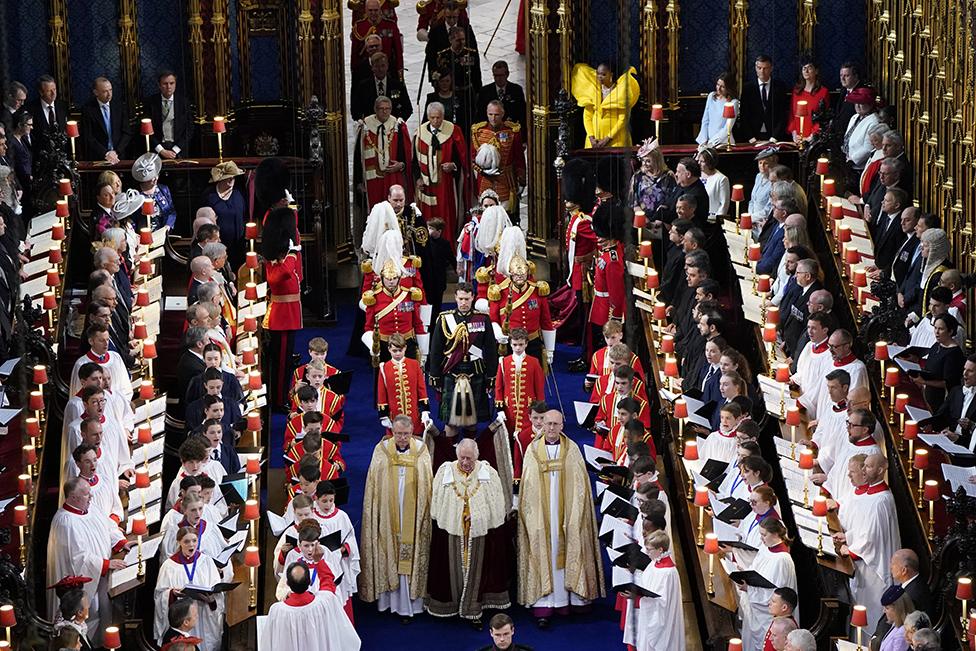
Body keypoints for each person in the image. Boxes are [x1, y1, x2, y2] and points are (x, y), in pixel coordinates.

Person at [518, 410, 604, 627]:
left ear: (562, 426)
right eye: (548, 424)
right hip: (542, 513)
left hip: (567, 512)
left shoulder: (572, 449)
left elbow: (580, 485)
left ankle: (573, 597)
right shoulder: (533, 450)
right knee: (543, 547)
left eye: (556, 424)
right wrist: (535, 514)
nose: (551, 428)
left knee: (571, 541)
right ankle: (546, 601)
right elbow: (528, 486)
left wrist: (574, 513)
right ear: (542, 425)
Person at [359, 415, 434, 620]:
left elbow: (427, 482)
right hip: (388, 512)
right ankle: (390, 602)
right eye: (398, 434)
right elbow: (374, 484)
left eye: (406, 434)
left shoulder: (420, 450)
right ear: (392, 432)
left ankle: (413, 604)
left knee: (412, 552)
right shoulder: (382, 450)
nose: (402, 438)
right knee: (390, 550)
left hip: (413, 511)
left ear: (412, 432)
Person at [427, 438, 509, 623]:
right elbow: (438, 505)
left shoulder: (488, 473)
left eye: (469, 459)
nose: (465, 462)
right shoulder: (445, 471)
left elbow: (497, 508)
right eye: (462, 458)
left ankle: (474, 607)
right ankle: (452, 605)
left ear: (477, 457)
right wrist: (455, 517)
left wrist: (478, 516)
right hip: (452, 534)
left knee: (478, 569)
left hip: (479, 536)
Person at [47, 478, 130, 647]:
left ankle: (101, 644)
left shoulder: (89, 508)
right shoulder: (65, 522)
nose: (91, 496)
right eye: (86, 494)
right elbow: (78, 558)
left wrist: (121, 542)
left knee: (104, 611)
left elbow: (107, 525)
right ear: (73, 497)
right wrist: (105, 564)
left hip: (100, 574)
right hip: (84, 582)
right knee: (91, 613)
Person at [835, 454, 901, 629]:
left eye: (869, 467)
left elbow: (872, 537)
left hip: (873, 566)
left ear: (880, 470)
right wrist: (848, 537)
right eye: (863, 466)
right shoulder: (871, 494)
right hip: (865, 562)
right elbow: (865, 527)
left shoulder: (881, 500)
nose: (864, 470)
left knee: (869, 616)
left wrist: (851, 550)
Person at [428, 282, 498, 427]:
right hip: (451, 369)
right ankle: (451, 447)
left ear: (473, 298)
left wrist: (491, 377)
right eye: (460, 299)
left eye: (466, 299)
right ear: (455, 298)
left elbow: (490, 350)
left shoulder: (483, 319)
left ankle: (470, 446)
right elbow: (436, 350)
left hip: (475, 369)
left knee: (473, 419)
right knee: (450, 421)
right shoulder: (444, 319)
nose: (463, 302)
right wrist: (435, 376)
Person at [154, 526, 225, 651]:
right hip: (183, 619)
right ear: (179, 542)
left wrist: (211, 600)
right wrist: (172, 594)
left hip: (203, 614)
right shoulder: (169, 566)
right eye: (186, 541)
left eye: (194, 540)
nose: (191, 545)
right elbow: (159, 596)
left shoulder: (207, 561)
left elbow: (217, 592)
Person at [260, 562, 361, 650]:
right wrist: (319, 561)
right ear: (309, 582)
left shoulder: (277, 611)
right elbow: (328, 584)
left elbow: (267, 644)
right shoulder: (323, 603)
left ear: (288, 584)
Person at [263, 206, 304, 408]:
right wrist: (292, 255)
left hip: (289, 314)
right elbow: (279, 276)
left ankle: (281, 395)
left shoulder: (283, 255)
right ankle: (278, 400)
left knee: (285, 361)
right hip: (282, 317)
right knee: (281, 363)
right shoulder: (276, 261)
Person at [737, 519, 797, 651]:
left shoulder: (781, 560)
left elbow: (776, 595)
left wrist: (749, 589)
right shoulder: (766, 548)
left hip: (767, 617)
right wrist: (744, 573)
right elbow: (756, 570)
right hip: (754, 606)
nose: (761, 538)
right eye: (761, 534)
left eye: (764, 535)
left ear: (775, 534)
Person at [413, 101, 466, 244]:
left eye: (438, 117)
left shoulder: (454, 131)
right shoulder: (420, 132)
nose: (435, 121)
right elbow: (414, 160)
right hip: (426, 187)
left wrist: (453, 166)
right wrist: (417, 179)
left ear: (443, 116)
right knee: (427, 218)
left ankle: (447, 246)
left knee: (446, 216)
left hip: (446, 185)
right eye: (432, 118)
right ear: (428, 117)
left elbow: (462, 158)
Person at [355, 96, 413, 215]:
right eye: (381, 108)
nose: (385, 111)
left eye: (388, 108)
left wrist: (401, 165)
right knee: (375, 212)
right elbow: (358, 157)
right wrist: (359, 181)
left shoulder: (397, 126)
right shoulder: (365, 127)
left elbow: (405, 155)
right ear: (375, 109)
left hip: (393, 177)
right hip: (372, 180)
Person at [471, 100, 526, 223]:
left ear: (502, 114)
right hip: (484, 180)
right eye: (490, 114)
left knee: (506, 216)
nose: (493, 118)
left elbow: (519, 158)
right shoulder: (478, 131)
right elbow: (473, 157)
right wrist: (483, 171)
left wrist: (522, 179)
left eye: (496, 115)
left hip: (506, 180)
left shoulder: (512, 131)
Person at [571, 62, 640, 148]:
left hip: (617, 140)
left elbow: (623, 119)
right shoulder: (593, 91)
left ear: (611, 75)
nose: (600, 77)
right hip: (594, 141)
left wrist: (607, 138)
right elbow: (587, 116)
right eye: (598, 74)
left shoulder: (620, 91)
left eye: (603, 74)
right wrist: (591, 138)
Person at [377, 333, 431, 435]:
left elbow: (421, 389)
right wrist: (384, 416)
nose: (397, 353)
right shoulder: (384, 368)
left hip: (414, 416)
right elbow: (381, 394)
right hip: (395, 416)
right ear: (389, 349)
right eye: (394, 351)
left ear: (405, 348)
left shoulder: (414, 364)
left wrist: (425, 411)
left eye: (400, 350)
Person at [494, 328, 545, 432]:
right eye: (515, 344)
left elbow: (539, 386)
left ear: (526, 344)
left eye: (521, 344)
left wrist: (540, 408)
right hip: (509, 407)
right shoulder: (503, 362)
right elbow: (499, 386)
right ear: (510, 344)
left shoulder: (534, 362)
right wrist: (499, 409)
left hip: (528, 406)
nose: (518, 348)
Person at [912, 313, 965, 410]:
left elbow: (947, 383)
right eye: (935, 328)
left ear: (950, 331)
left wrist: (924, 381)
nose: (936, 332)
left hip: (941, 400)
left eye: (940, 329)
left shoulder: (953, 354)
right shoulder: (937, 345)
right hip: (929, 393)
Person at [435, 27, 481, 132]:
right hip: (451, 93)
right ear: (450, 40)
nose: (462, 42)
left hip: (467, 92)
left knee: (469, 120)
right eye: (458, 40)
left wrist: (478, 92)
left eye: (463, 39)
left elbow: (476, 75)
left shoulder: (471, 54)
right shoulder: (443, 56)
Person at [201, 161, 247, 266]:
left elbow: (244, 214)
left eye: (233, 177)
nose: (232, 180)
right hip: (217, 246)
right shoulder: (209, 196)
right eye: (228, 177)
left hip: (238, 245)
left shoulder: (239, 193)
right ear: (220, 179)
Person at [738, 55, 789, 142]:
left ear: (771, 68)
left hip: (774, 137)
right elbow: (744, 115)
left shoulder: (780, 87)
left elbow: (783, 115)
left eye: (765, 68)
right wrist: (751, 138)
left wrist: (774, 138)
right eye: (759, 68)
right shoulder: (747, 88)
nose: (762, 71)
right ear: (755, 68)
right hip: (752, 137)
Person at [80, 77, 131, 163]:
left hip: (119, 156)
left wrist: (116, 152)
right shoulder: (88, 109)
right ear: (96, 92)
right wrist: (106, 153)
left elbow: (127, 132)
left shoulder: (120, 106)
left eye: (110, 90)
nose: (109, 94)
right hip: (99, 157)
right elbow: (88, 137)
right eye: (105, 91)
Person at [352, 52, 412, 122]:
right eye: (377, 66)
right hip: (370, 125)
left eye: (383, 66)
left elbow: (408, 108)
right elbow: (355, 109)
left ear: (387, 66)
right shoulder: (363, 86)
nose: (380, 69)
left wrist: (399, 120)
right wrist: (361, 121)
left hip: (392, 125)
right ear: (372, 68)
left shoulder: (397, 85)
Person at [350, 0, 404, 78]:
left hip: (387, 71)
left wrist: (399, 71)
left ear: (380, 10)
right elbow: (354, 54)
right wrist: (354, 72)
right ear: (366, 10)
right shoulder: (359, 27)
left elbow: (398, 51)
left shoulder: (390, 26)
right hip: (365, 72)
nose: (373, 13)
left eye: (376, 10)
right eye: (370, 10)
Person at [146, 70, 193, 158]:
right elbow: (146, 130)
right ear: (159, 85)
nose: (169, 87)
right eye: (165, 84)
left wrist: (176, 149)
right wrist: (161, 150)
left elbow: (189, 129)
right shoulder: (150, 102)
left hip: (179, 149)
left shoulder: (183, 102)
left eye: (172, 83)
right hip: (157, 149)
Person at [787, 61, 830, 143]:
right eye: (804, 68)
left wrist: (811, 137)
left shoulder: (823, 92)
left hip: (814, 138)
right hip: (797, 138)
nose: (806, 71)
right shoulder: (796, 91)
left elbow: (823, 118)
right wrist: (794, 133)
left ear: (816, 71)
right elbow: (792, 115)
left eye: (809, 68)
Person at [132, 152, 177, 231]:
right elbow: (133, 219)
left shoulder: (164, 189)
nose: (156, 178)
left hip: (163, 233)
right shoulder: (135, 194)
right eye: (152, 177)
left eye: (157, 175)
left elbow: (171, 211)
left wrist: (168, 225)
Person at [477, 60, 527, 129]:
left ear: (507, 74)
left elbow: (522, 114)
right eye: (496, 75)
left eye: (501, 75)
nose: (498, 79)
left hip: (510, 129)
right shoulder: (485, 91)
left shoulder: (516, 90)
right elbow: (480, 115)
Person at [841, 86, 881, 174]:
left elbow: (868, 148)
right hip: (847, 160)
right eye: (856, 103)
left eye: (861, 103)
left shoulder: (874, 121)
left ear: (870, 104)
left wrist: (852, 160)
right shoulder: (855, 117)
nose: (858, 106)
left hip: (859, 168)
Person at [696, 72, 739, 147]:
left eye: (722, 86)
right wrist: (703, 140)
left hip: (724, 142)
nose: (718, 88)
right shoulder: (711, 96)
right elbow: (705, 120)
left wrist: (712, 142)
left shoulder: (733, 102)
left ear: (729, 88)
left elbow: (727, 128)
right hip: (707, 141)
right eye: (718, 85)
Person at [696, 146, 730, 217]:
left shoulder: (721, 179)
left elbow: (724, 204)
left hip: (712, 219)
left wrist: (717, 221)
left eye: (702, 161)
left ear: (710, 162)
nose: (698, 163)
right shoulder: (696, 176)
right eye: (698, 160)